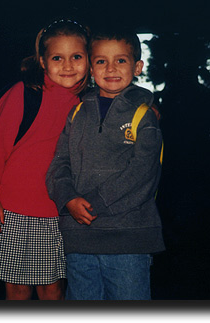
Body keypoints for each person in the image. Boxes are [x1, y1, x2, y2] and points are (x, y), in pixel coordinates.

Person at [46, 27, 165, 300]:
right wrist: (68, 199)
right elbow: (59, 163)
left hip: (128, 239)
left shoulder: (144, 115)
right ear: (90, 67)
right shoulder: (77, 112)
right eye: (101, 61)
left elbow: (142, 175)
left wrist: (93, 203)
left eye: (120, 60)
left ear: (137, 67)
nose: (111, 68)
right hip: (79, 239)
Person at [0, 19, 90, 300]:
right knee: (17, 289)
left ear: (89, 59)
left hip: (58, 211)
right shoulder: (24, 94)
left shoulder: (89, 101)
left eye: (76, 56)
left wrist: (149, 107)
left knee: (52, 289)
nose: (67, 65)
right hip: (11, 209)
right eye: (57, 58)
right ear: (42, 61)